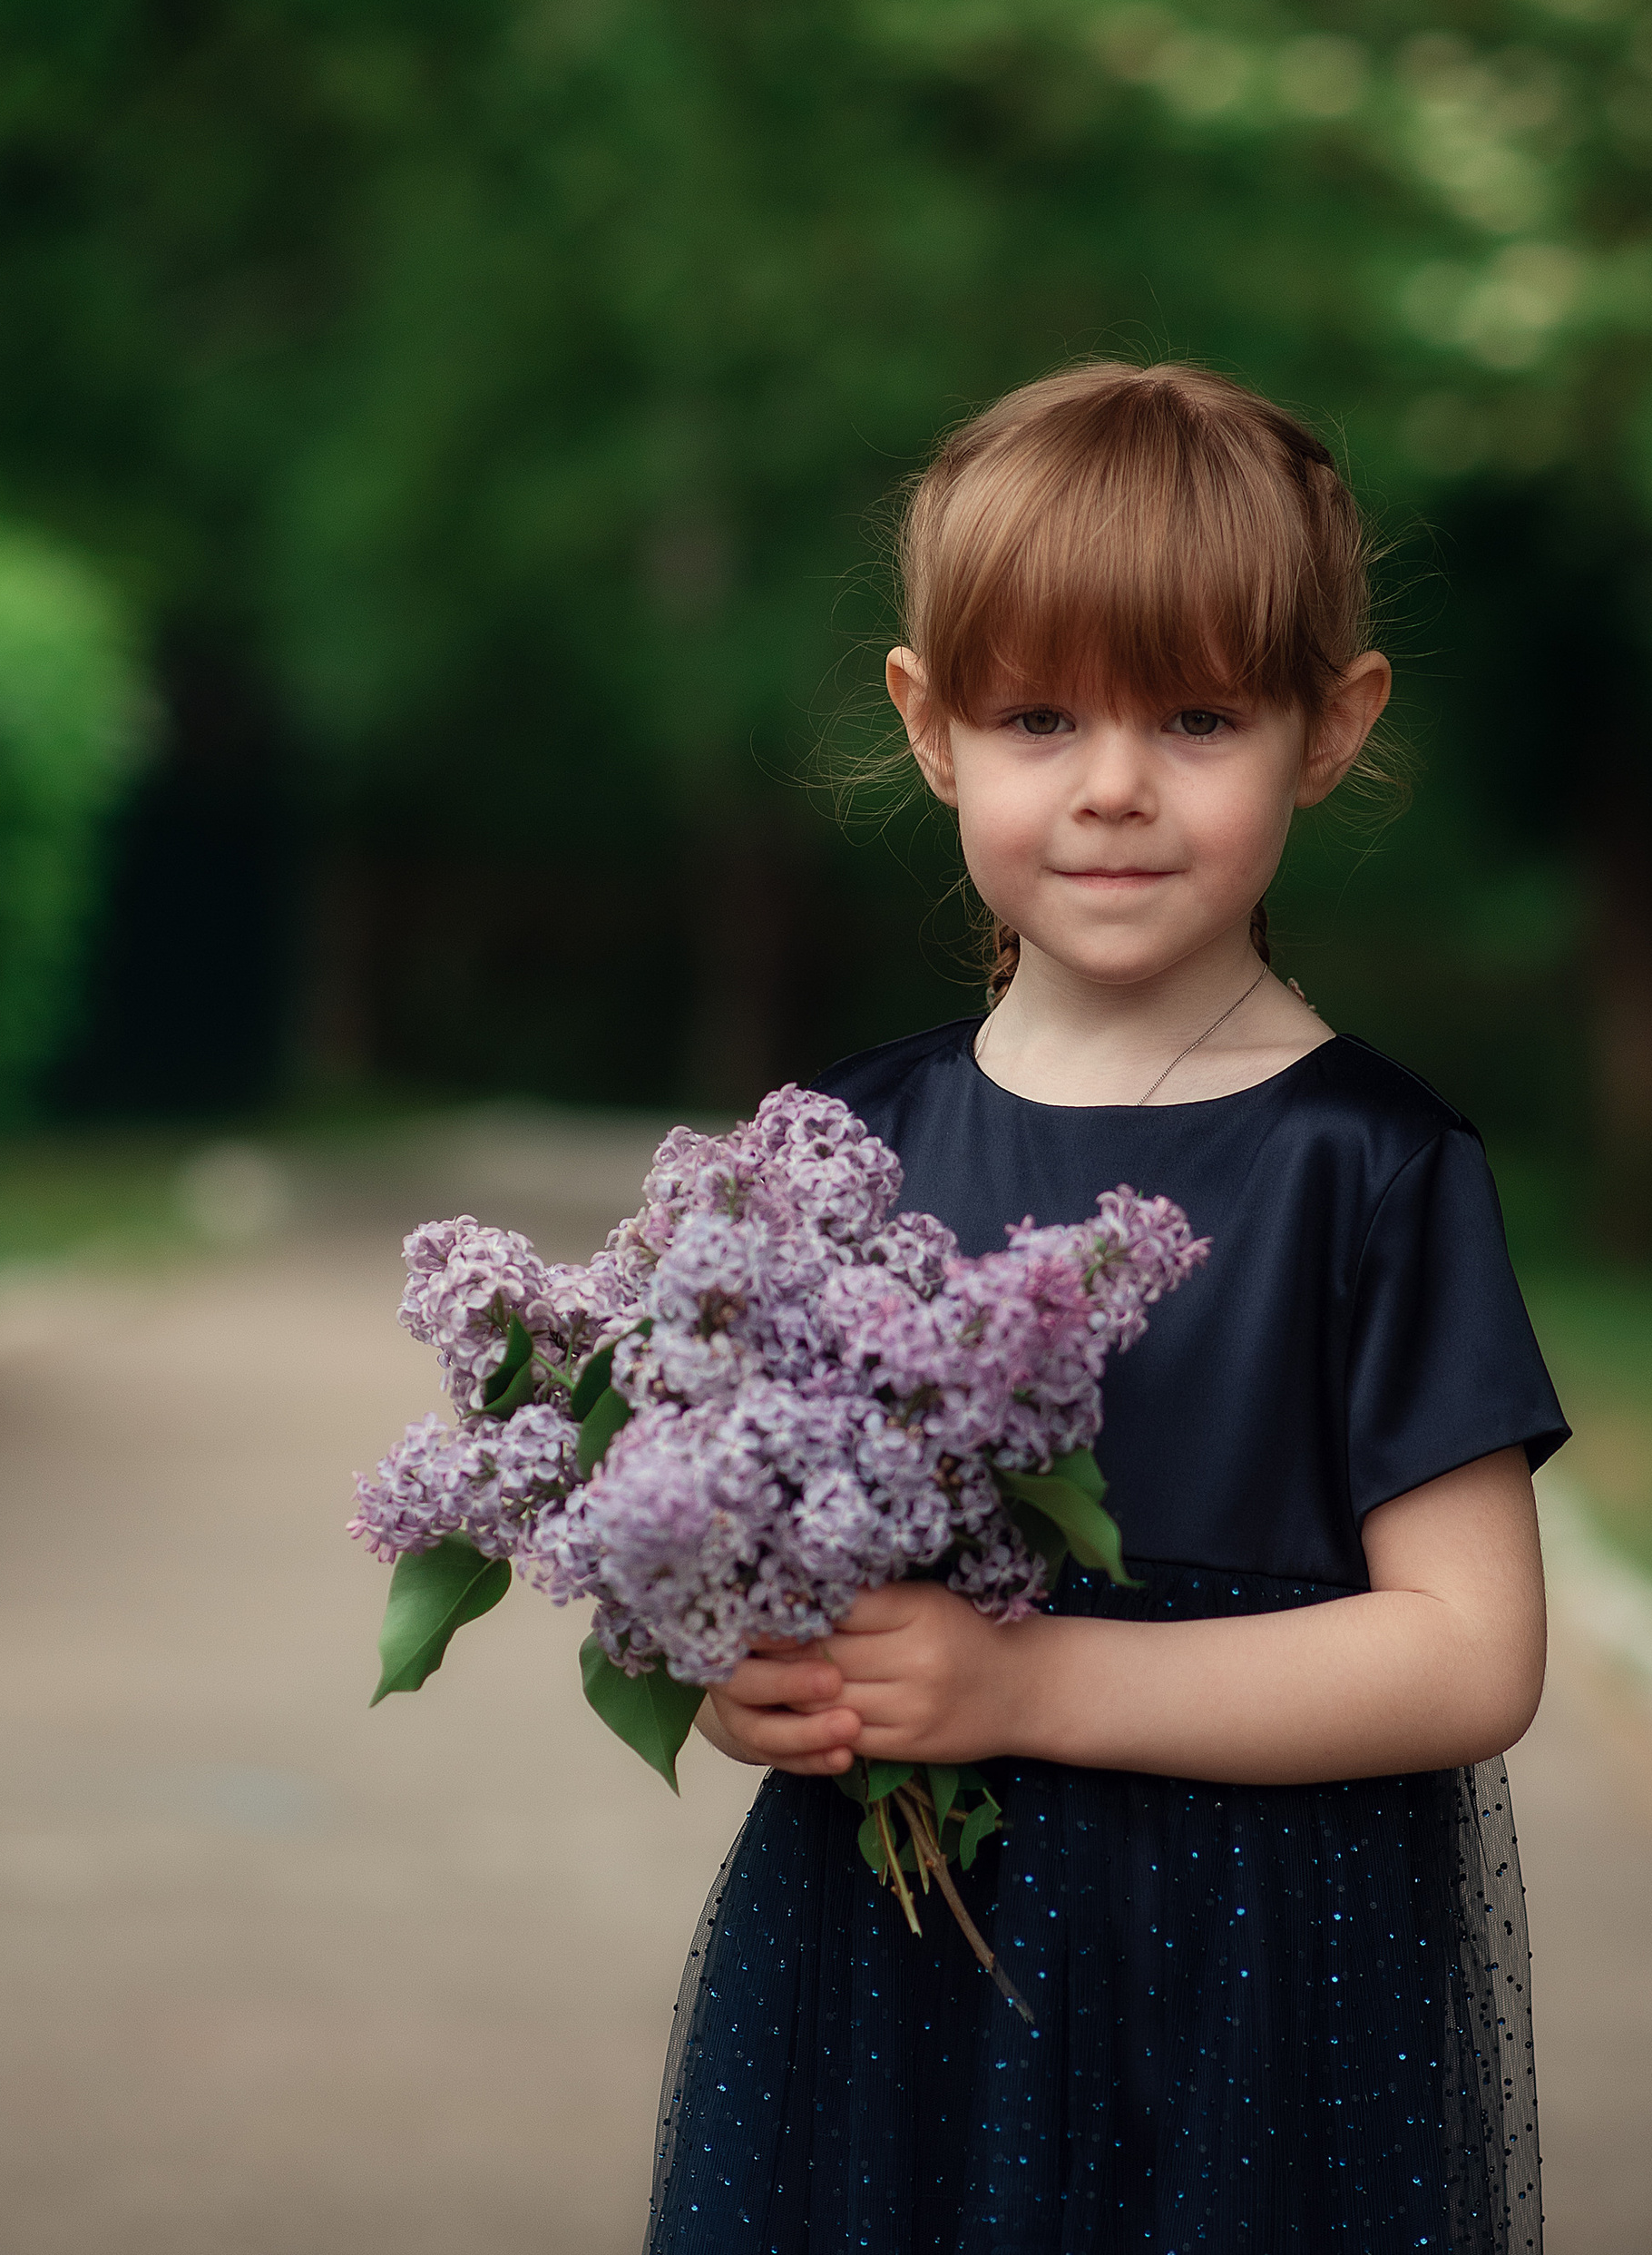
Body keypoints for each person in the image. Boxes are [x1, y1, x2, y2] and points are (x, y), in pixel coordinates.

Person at [649, 360, 1569, 2253]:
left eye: (1200, 713)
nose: (1114, 784)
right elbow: (759, 1555)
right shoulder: (845, 1148)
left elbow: (1469, 1653)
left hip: (1247, 2009)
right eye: (1040, 712)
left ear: (1329, 725)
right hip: (888, 1975)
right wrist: (768, 1680)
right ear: (929, 723)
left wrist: (1027, 1681)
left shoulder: (1368, 1168)